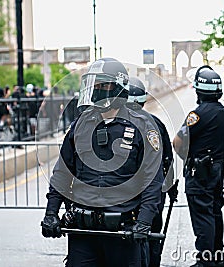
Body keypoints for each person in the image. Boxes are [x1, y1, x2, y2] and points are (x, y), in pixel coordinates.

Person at [41, 57, 164, 267]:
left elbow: (152, 180)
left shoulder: (143, 126)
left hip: (124, 231)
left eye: (102, 85)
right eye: (94, 85)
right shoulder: (81, 124)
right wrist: (51, 213)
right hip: (83, 230)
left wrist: (144, 222)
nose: (96, 90)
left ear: (118, 88)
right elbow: (62, 172)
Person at [173, 65, 224, 267]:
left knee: (202, 215)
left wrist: (187, 158)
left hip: (200, 171)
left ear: (199, 90)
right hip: (217, 169)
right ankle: (217, 257)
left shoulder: (196, 115)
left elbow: (177, 142)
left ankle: (205, 261)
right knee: (215, 212)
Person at [127, 76, 176, 267]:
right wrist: (170, 187)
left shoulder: (115, 124)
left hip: (128, 195)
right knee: (152, 232)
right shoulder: (156, 123)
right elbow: (168, 160)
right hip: (154, 193)